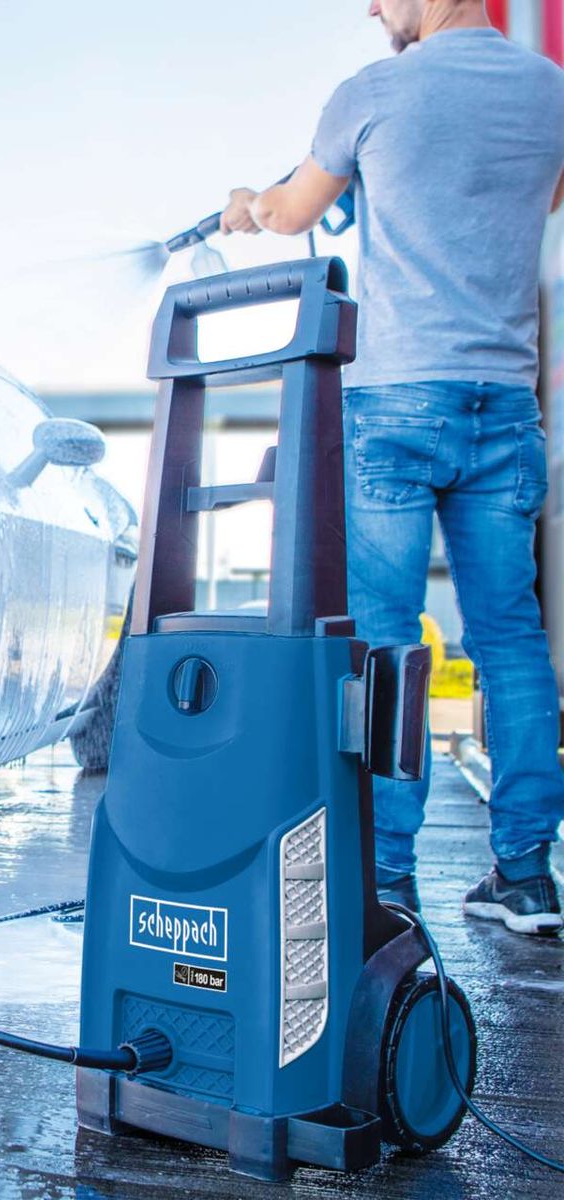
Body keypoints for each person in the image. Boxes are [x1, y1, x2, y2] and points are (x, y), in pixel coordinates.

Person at [220, 0, 564, 934]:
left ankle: (387, 880)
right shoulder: (550, 92)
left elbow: (290, 211)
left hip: (398, 403)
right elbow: (538, 197)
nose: (371, 6)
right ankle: (526, 876)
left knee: (384, 643)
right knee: (511, 640)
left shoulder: (372, 92)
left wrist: (249, 202)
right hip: (505, 406)